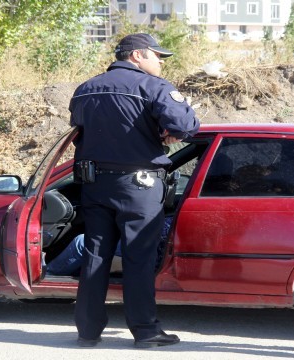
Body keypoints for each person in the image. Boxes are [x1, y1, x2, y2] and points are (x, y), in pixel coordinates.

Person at [68, 33, 200, 348]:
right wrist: (164, 132)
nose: (160, 62)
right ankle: (145, 331)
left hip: (95, 184)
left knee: (95, 255)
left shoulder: (85, 89)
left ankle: (87, 330)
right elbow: (187, 127)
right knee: (138, 258)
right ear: (137, 55)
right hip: (138, 187)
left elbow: (80, 134)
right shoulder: (154, 87)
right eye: (157, 56)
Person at [46, 216, 174, 276]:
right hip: (151, 246)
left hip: (148, 251)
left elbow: (160, 231)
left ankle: (49, 274)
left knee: (82, 242)